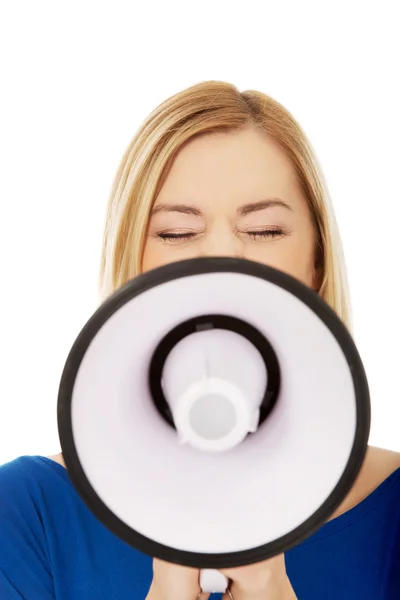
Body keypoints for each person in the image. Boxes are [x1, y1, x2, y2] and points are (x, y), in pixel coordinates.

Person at [0, 80, 399, 600]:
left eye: (264, 230)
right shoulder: (29, 514)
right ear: (131, 263)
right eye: (176, 232)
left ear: (316, 262)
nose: (223, 258)